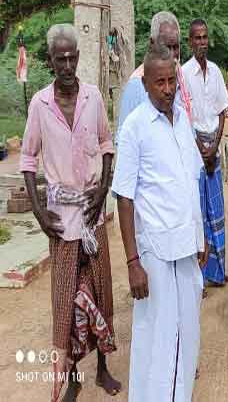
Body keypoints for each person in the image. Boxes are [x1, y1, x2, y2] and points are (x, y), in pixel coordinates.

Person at [20, 24, 121, 402]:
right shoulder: (40, 105)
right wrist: (39, 214)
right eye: (60, 58)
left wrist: (105, 187)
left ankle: (102, 368)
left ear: (78, 57)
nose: (67, 64)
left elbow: (107, 144)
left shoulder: (93, 97)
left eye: (72, 57)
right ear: (50, 60)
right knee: (64, 301)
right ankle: (72, 376)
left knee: (101, 293)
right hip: (61, 219)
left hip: (92, 215)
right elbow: (28, 160)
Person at [112, 43, 208, 402]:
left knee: (188, 333)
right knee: (157, 334)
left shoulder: (183, 120)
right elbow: (124, 197)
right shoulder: (136, 127)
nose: (167, 89)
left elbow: (191, 181)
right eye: (160, 83)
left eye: (172, 81)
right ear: (146, 83)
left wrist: (200, 237)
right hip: (154, 253)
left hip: (186, 247)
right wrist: (133, 263)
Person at [182, 19, 228, 291]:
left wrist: (214, 147)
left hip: (213, 146)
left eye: (205, 37)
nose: (202, 42)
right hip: (195, 151)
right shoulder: (183, 74)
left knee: (217, 212)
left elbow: (222, 111)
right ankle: (199, 278)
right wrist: (200, 150)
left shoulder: (214, 72)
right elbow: (183, 118)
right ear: (190, 42)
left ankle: (218, 271)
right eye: (197, 38)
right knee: (199, 213)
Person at [118, 11, 190, 133]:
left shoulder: (181, 77)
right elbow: (124, 139)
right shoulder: (136, 85)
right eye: (167, 47)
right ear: (152, 43)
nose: (172, 55)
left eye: (176, 47)